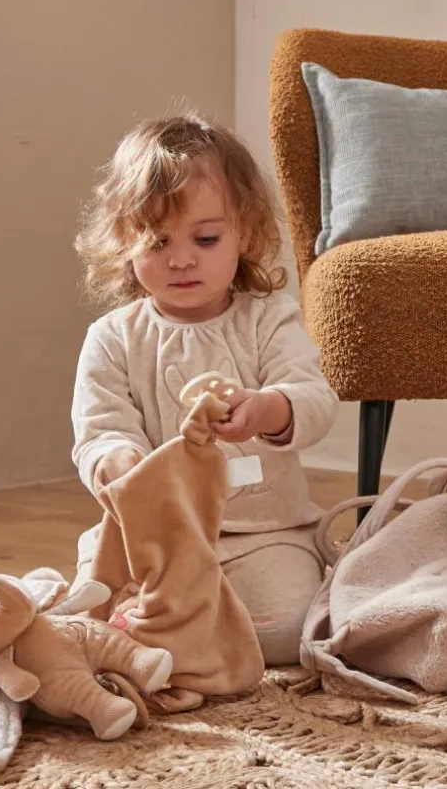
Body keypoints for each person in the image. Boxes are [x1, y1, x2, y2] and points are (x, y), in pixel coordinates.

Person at [72, 113, 339, 663]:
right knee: (90, 615)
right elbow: (99, 431)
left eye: (206, 237)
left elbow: (314, 399)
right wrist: (119, 462)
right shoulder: (112, 338)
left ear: (245, 233)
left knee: (286, 630)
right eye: (156, 241)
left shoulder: (268, 318)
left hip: (265, 532)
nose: (181, 258)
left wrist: (266, 409)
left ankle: (175, 634)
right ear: (123, 242)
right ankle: (158, 628)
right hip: (152, 542)